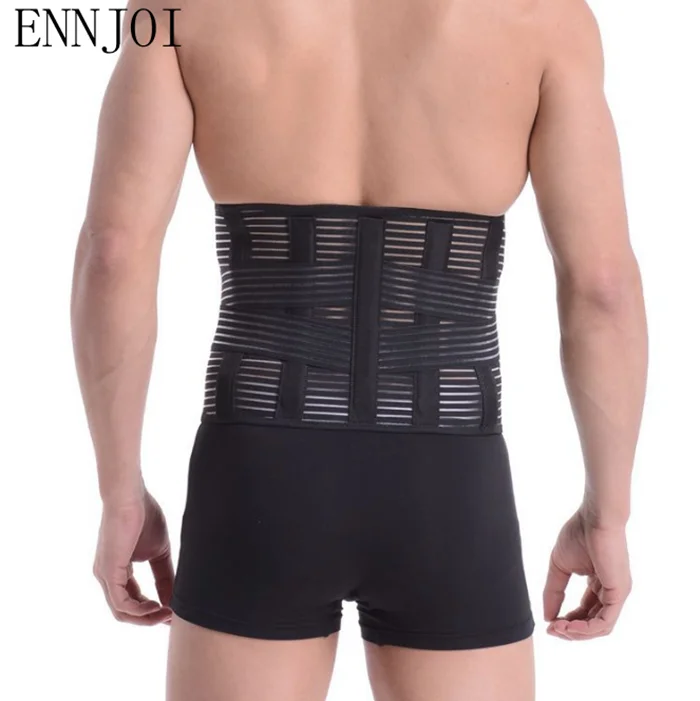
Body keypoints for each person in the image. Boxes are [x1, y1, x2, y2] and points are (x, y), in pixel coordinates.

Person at [70, 0, 647, 699]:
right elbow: (602, 287)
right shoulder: (545, 18)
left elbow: (113, 254)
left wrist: (120, 492)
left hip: (257, 473)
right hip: (449, 485)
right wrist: (607, 513)